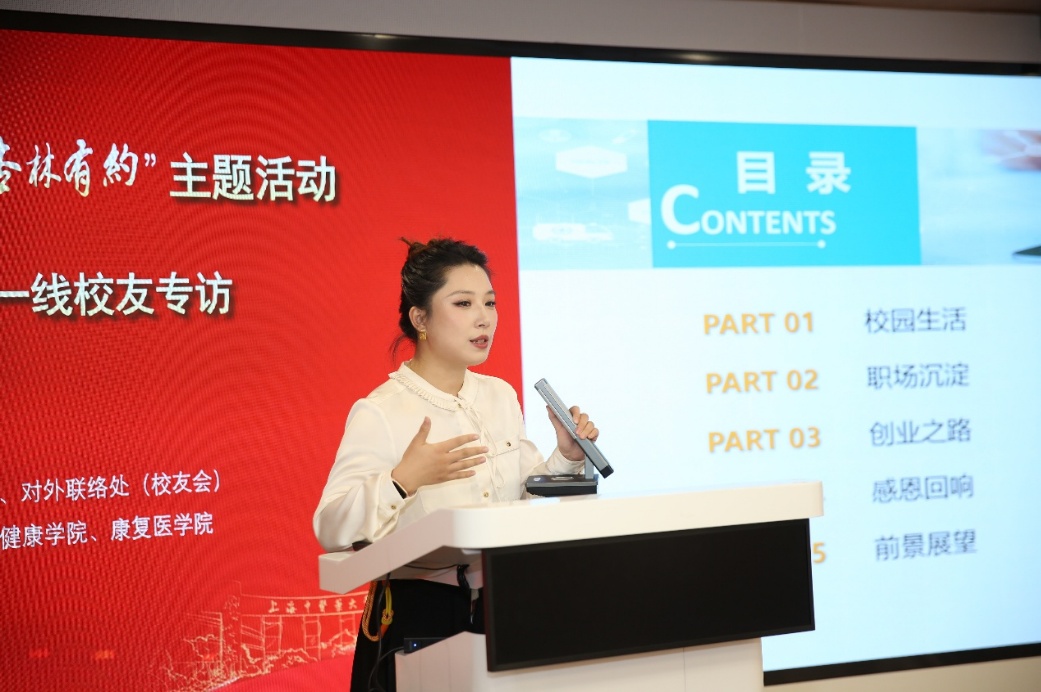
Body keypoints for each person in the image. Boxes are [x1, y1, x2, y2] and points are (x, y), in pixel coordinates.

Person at [313, 237, 599, 692]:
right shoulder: (381, 410)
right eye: (463, 303)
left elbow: (523, 496)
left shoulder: (499, 395)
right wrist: (402, 481)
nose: (484, 318)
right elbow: (331, 526)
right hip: (420, 612)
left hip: (504, 603)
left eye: (490, 302)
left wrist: (566, 457)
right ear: (420, 318)